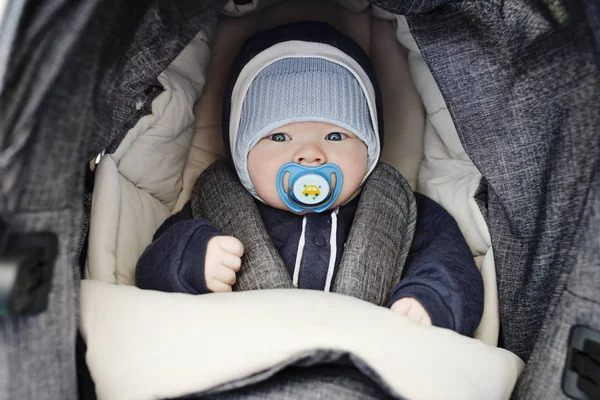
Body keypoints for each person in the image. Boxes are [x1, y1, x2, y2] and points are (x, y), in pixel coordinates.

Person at [135, 21, 483, 336]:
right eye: (279, 137)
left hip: (363, 357)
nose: (310, 154)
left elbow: (453, 265)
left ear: (371, 148)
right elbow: (153, 265)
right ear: (241, 151)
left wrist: (429, 300)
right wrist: (195, 259)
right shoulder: (214, 206)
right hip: (244, 350)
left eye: (335, 137)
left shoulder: (404, 209)